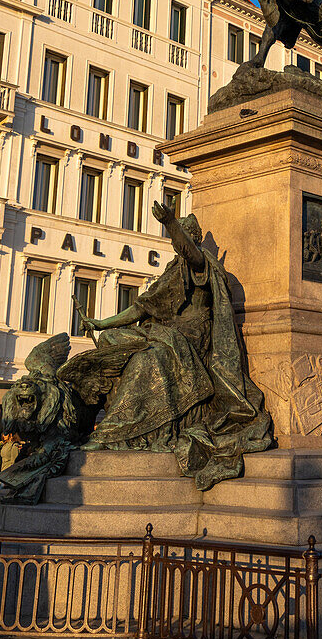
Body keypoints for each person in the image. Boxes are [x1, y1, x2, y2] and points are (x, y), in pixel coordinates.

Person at [77, 203, 272, 490]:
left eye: (178, 235)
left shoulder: (200, 261)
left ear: (188, 236)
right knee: (113, 345)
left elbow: (191, 254)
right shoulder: (171, 271)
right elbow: (141, 308)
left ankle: (117, 432)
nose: (173, 242)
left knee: (149, 360)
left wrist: (170, 222)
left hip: (193, 338)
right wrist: (102, 324)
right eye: (173, 236)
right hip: (170, 335)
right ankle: (116, 430)